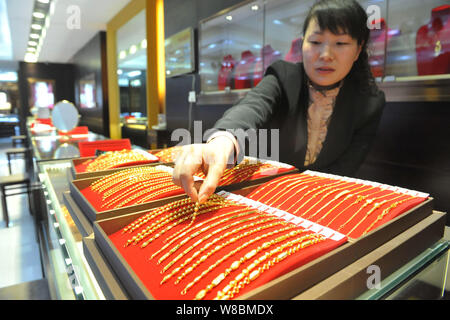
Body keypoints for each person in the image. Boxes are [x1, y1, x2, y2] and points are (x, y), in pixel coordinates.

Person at [173, 0, 386, 204]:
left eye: (340, 43)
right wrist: (222, 141)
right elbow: (252, 106)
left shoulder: (369, 103)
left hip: (322, 201)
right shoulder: (284, 76)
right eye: (315, 42)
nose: (326, 54)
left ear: (359, 49)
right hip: (263, 195)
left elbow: (345, 169)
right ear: (302, 42)